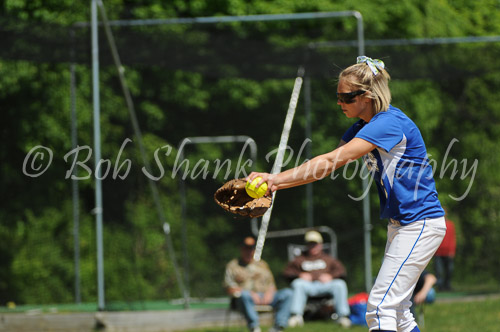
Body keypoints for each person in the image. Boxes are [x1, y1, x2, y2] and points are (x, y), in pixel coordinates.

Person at [247, 56, 446, 332]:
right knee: (398, 311)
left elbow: (331, 161)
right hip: (404, 225)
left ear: (367, 96)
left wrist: (275, 181)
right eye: (337, 96)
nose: (339, 103)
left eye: (346, 97)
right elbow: (323, 166)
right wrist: (275, 184)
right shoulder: (362, 127)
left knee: (380, 307)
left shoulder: (388, 123)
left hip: (419, 223)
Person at [283, 230, 352, 328]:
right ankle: (296, 316)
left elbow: (341, 271)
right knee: (298, 284)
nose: (313, 246)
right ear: (307, 245)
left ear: (320, 245)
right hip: (307, 286)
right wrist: (299, 275)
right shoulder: (300, 259)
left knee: (340, 284)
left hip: (325, 285)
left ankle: (343, 317)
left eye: (315, 244)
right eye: (310, 244)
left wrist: (331, 276)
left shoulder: (328, 258)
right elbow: (287, 272)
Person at [224, 236, 293, 332]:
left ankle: (278, 327)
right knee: (244, 295)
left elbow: (272, 284)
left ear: (254, 250)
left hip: (265, 297)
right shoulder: (233, 266)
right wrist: (250, 294)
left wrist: (269, 293)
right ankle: (254, 327)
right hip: (245, 299)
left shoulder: (262, 265)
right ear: (241, 249)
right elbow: (229, 288)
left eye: (251, 249)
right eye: (246, 249)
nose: (249, 252)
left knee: (288, 293)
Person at [434, 210, 456, 291]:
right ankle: (440, 286)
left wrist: (452, 251)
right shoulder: (437, 224)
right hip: (438, 252)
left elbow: (453, 239)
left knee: (449, 270)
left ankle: (447, 285)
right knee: (439, 271)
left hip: (448, 252)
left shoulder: (450, 225)